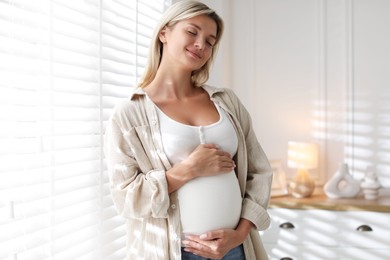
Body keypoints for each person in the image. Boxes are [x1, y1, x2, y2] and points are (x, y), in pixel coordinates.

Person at [104, 1, 273, 259]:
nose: (201, 45)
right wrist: (188, 169)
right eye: (192, 32)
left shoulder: (227, 102)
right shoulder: (129, 113)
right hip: (171, 251)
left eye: (210, 41)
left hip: (234, 248)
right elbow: (126, 198)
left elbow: (260, 173)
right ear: (164, 32)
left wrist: (239, 234)